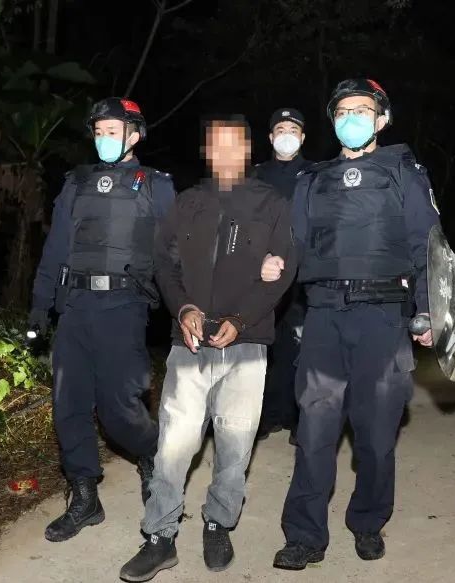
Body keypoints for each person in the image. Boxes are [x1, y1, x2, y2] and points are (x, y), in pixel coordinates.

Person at [260, 79, 438, 570]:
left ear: (382, 119)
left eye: (361, 110)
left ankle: (368, 521)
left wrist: (429, 310)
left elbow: (427, 246)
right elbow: (294, 244)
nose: (351, 118)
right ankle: (304, 535)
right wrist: (275, 263)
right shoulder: (313, 180)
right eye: (342, 111)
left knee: (376, 435)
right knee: (314, 430)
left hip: (383, 319)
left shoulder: (403, 172)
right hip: (323, 318)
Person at [119, 115, 297, 582]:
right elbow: (164, 264)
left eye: (233, 145)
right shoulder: (188, 202)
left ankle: (219, 522)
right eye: (216, 145)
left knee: (235, 444)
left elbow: (285, 270)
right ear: (207, 152)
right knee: (174, 443)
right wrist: (183, 308)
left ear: (248, 150)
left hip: (247, 343)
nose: (224, 154)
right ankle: (159, 536)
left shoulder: (272, 203)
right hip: (191, 344)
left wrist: (242, 320)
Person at [28, 97, 176, 543]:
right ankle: (85, 496)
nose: (104, 138)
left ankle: (151, 454)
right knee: (68, 405)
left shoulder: (156, 186)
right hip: (75, 307)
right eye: (99, 131)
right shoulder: (76, 182)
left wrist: (185, 309)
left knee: (118, 409)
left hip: (124, 307)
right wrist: (40, 306)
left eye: (113, 131)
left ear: (135, 135)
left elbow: (173, 254)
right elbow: (56, 247)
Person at [253, 108, 311, 442]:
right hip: (264, 274)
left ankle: (302, 418)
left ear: (302, 137)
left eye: (293, 129)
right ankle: (267, 414)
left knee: (306, 348)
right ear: (271, 137)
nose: (286, 135)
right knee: (267, 347)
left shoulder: (316, 175)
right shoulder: (255, 176)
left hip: (305, 275)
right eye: (280, 129)